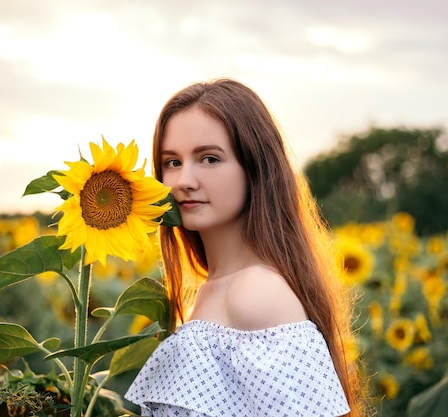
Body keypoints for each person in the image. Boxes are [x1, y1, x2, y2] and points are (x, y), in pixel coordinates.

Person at [125, 79, 365, 416]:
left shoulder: (257, 293)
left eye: (209, 159)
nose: (184, 181)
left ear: (256, 169)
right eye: (172, 162)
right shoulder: (214, 290)